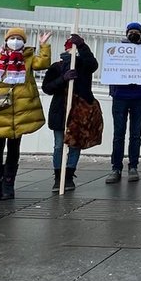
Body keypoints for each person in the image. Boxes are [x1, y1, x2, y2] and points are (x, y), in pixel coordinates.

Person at [0, 28, 52, 202]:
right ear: (6, 40)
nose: (15, 41)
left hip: (21, 111)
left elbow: (43, 64)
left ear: (24, 42)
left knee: (14, 149)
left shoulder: (28, 58)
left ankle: (8, 185)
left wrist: (44, 46)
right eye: (12, 38)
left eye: (19, 38)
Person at [43, 34, 98, 193]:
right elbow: (47, 88)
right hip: (61, 111)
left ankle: (69, 175)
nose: (72, 52)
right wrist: (63, 79)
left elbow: (93, 64)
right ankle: (58, 176)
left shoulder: (84, 66)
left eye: (75, 49)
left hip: (79, 112)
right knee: (59, 145)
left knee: (75, 145)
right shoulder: (56, 67)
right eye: (70, 48)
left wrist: (83, 46)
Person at [108, 21, 141, 184]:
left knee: (135, 134)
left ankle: (133, 166)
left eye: (137, 32)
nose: (134, 34)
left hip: (139, 96)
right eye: (131, 31)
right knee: (118, 134)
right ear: (126, 33)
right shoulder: (118, 50)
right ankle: (116, 168)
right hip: (120, 96)